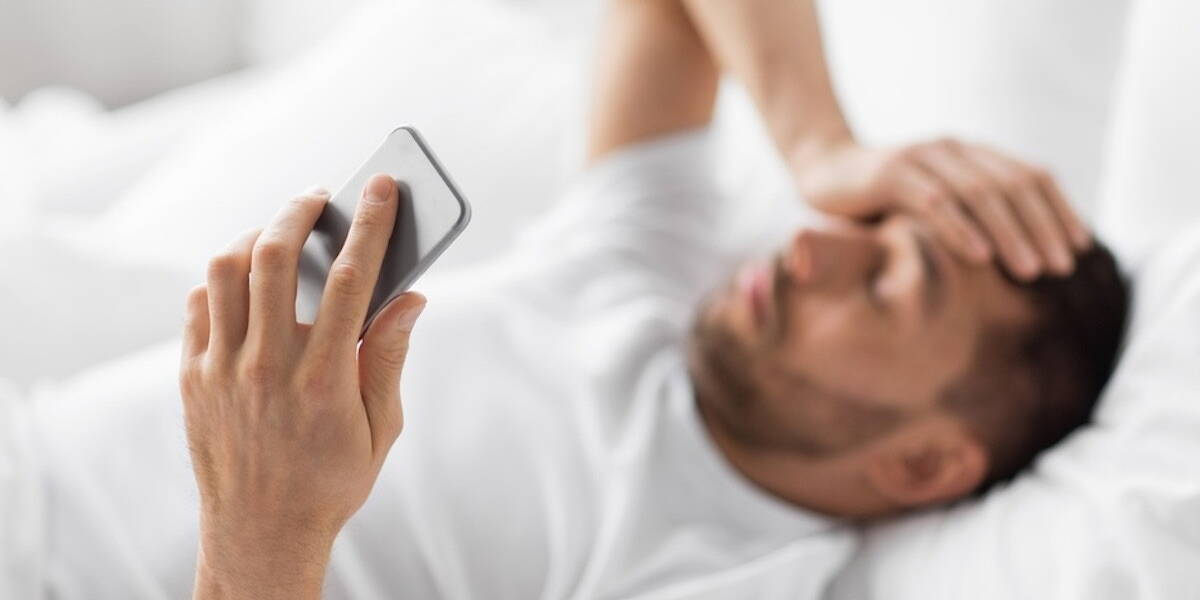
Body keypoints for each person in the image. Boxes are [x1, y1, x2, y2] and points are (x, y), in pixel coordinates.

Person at [180, 0, 1128, 598]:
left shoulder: (716, 577)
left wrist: (262, 541)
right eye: (869, 226)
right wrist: (819, 146)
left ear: (924, 464)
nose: (810, 241)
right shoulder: (650, 277)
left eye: (885, 282)